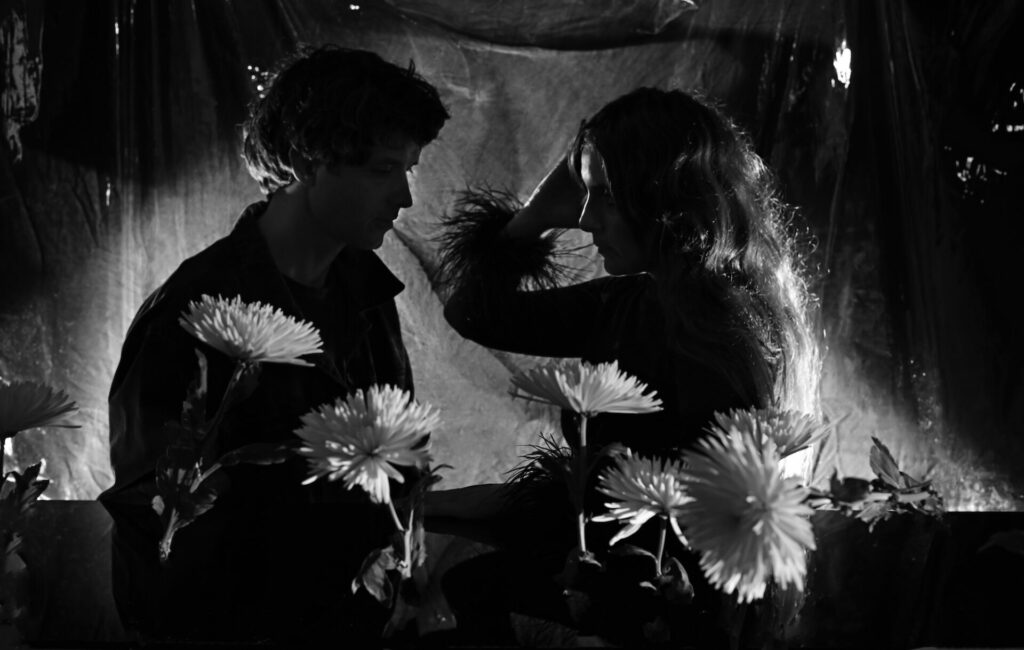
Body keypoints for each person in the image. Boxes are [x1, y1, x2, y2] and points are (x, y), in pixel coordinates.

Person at [428, 87, 820, 645]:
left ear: (664, 196)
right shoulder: (632, 302)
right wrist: (542, 210)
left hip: (668, 607)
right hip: (622, 580)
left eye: (606, 198)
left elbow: (696, 529)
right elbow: (472, 313)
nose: (587, 221)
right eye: (587, 197)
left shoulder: (721, 334)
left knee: (466, 585)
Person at [98, 45, 449, 644]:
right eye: (383, 169)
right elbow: (154, 527)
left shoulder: (367, 293)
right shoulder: (196, 311)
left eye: (408, 170)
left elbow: (398, 467)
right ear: (310, 161)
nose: (405, 198)